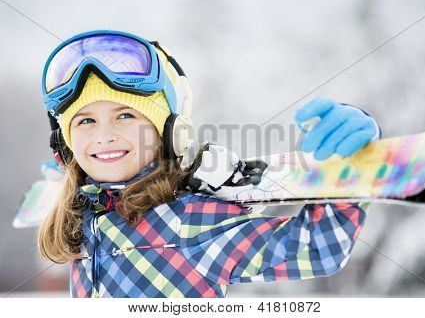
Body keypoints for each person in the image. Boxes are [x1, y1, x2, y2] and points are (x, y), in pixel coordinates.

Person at [37, 30, 382, 298]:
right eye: (85, 121)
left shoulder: (190, 222)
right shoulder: (79, 214)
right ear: (64, 144)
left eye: (125, 115)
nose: (103, 136)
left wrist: (347, 168)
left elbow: (317, 248)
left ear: (169, 133)